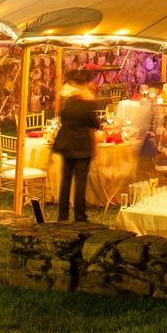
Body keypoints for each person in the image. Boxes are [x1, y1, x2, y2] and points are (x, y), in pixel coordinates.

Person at [52, 68, 100, 222]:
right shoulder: (87, 104)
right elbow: (95, 123)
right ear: (84, 84)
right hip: (82, 147)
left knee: (65, 181)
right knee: (80, 182)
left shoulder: (67, 103)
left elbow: (63, 121)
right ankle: (80, 215)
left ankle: (62, 215)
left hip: (67, 146)